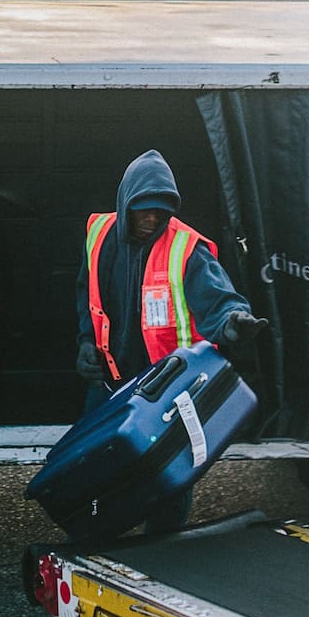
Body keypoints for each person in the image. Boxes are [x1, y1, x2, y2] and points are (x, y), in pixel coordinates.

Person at [74, 149, 266, 533]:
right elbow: (86, 293)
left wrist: (232, 322)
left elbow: (218, 299)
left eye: (160, 213)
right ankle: (91, 543)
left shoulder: (186, 250)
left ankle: (162, 549)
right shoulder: (99, 236)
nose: (152, 220)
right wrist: (84, 343)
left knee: (168, 479)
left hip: (166, 393)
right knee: (93, 472)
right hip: (110, 383)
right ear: (126, 205)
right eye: (144, 211)